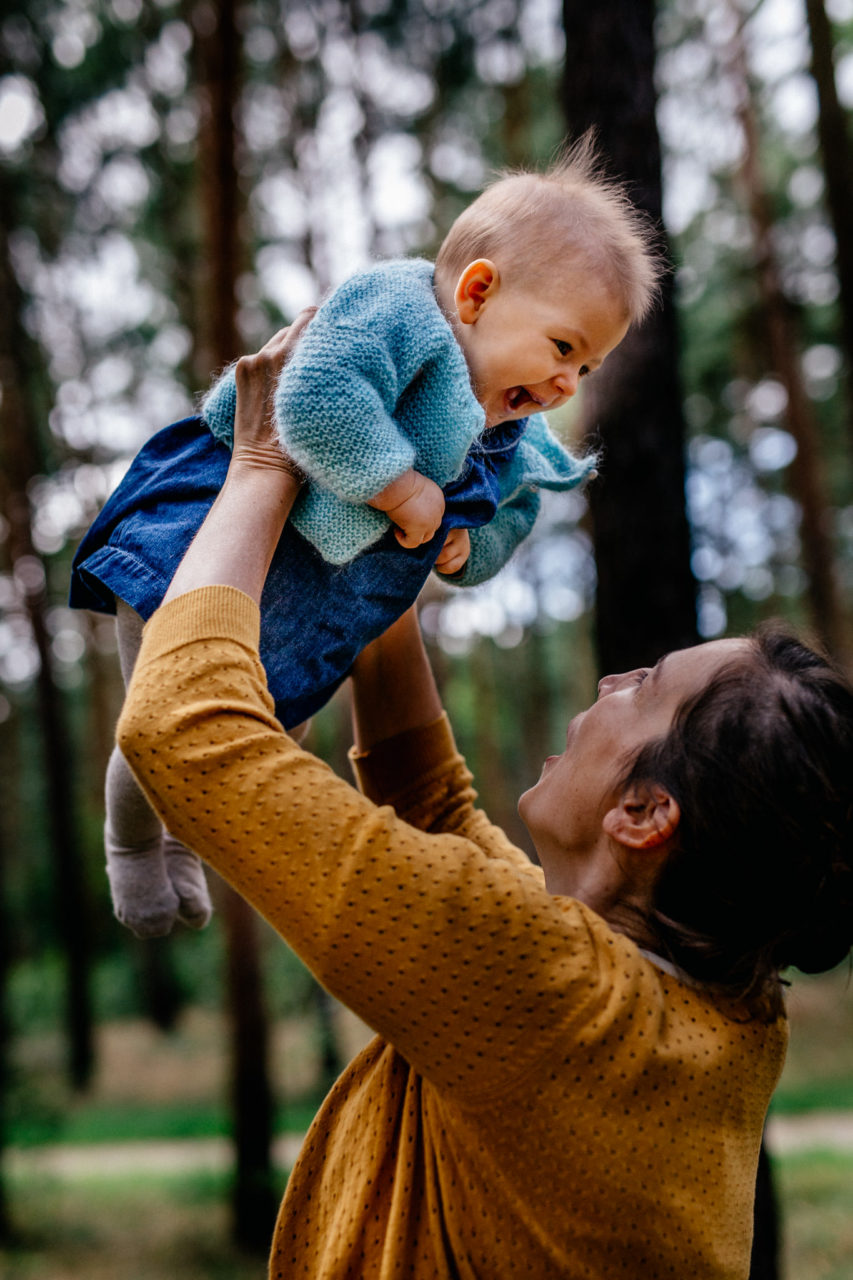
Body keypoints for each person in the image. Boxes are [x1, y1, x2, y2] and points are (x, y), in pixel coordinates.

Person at [116, 322, 853, 1279]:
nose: (611, 680)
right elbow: (435, 815)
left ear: (642, 815)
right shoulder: (714, 1007)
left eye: (644, 688)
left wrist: (263, 465)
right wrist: (373, 565)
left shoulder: (546, 989)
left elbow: (184, 731)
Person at [70, 137, 660, 938]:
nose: (565, 384)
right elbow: (312, 397)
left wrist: (470, 550)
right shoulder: (400, 311)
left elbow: (517, 507)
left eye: (586, 371)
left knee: (270, 732)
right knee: (163, 722)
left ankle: (182, 836)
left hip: (311, 602)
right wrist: (399, 485)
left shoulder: (512, 426)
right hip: (199, 545)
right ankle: (133, 845)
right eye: (563, 347)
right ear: (477, 292)